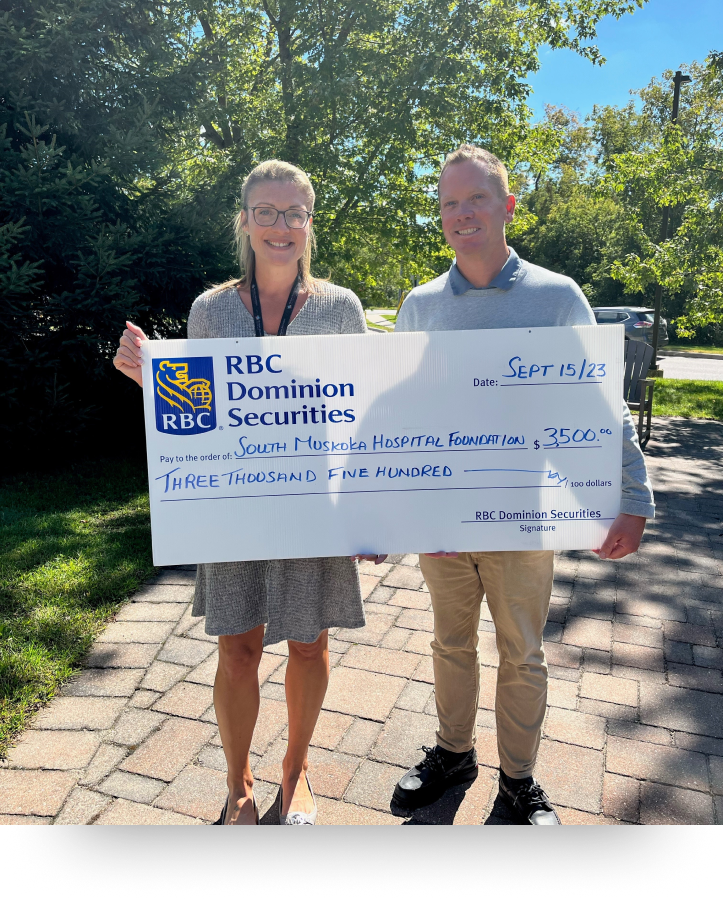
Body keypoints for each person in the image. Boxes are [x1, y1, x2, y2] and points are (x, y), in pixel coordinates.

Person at [113, 159, 385, 825]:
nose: (280, 225)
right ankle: (238, 785)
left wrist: (373, 511)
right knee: (236, 647)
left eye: (294, 212)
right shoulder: (209, 310)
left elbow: (361, 413)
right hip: (235, 509)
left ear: (309, 222)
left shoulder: (340, 308)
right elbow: (197, 413)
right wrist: (151, 382)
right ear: (243, 220)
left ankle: (297, 772)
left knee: (309, 644)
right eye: (265, 211)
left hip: (312, 507)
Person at [391, 145, 655, 825]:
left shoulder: (555, 294)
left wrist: (633, 496)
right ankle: (452, 755)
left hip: (524, 515)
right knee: (449, 645)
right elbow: (400, 414)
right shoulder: (420, 305)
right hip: (443, 524)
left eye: (476, 198)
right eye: (449, 203)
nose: (461, 213)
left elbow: (600, 404)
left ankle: (518, 781)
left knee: (521, 652)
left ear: (507, 206)